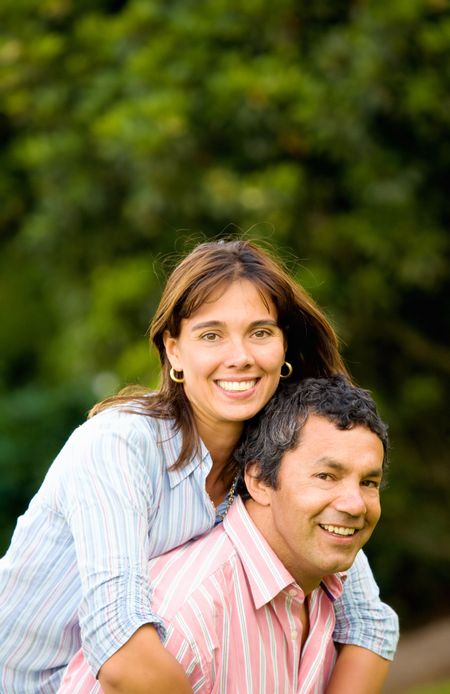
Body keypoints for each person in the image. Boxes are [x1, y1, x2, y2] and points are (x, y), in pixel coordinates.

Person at [0, 239, 398, 694]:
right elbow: (119, 644)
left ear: (284, 345)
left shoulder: (272, 449)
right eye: (212, 335)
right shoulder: (120, 445)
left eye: (261, 332)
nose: (240, 356)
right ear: (173, 350)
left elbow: (368, 624)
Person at [58, 375, 390, 693]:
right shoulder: (185, 621)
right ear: (259, 481)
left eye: (368, 483)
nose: (355, 505)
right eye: (326, 476)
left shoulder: (326, 580)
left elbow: (375, 627)